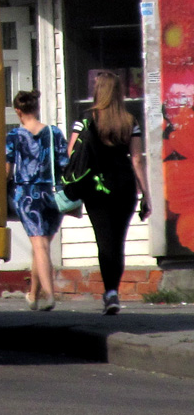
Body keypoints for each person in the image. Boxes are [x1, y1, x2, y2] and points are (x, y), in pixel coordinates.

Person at [68, 71, 152, 316]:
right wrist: (146, 194)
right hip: (124, 187)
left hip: (96, 187)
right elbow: (137, 160)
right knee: (118, 241)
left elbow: (72, 151)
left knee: (104, 242)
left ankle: (110, 293)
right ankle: (113, 290)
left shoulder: (86, 120)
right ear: (118, 93)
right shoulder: (129, 121)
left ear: (98, 91)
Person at [6, 89, 67, 311]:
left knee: (39, 246)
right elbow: (63, 163)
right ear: (37, 108)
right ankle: (33, 294)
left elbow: (7, 170)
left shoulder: (14, 136)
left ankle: (50, 295)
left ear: (18, 111)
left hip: (27, 195)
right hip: (51, 194)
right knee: (41, 246)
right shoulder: (54, 133)